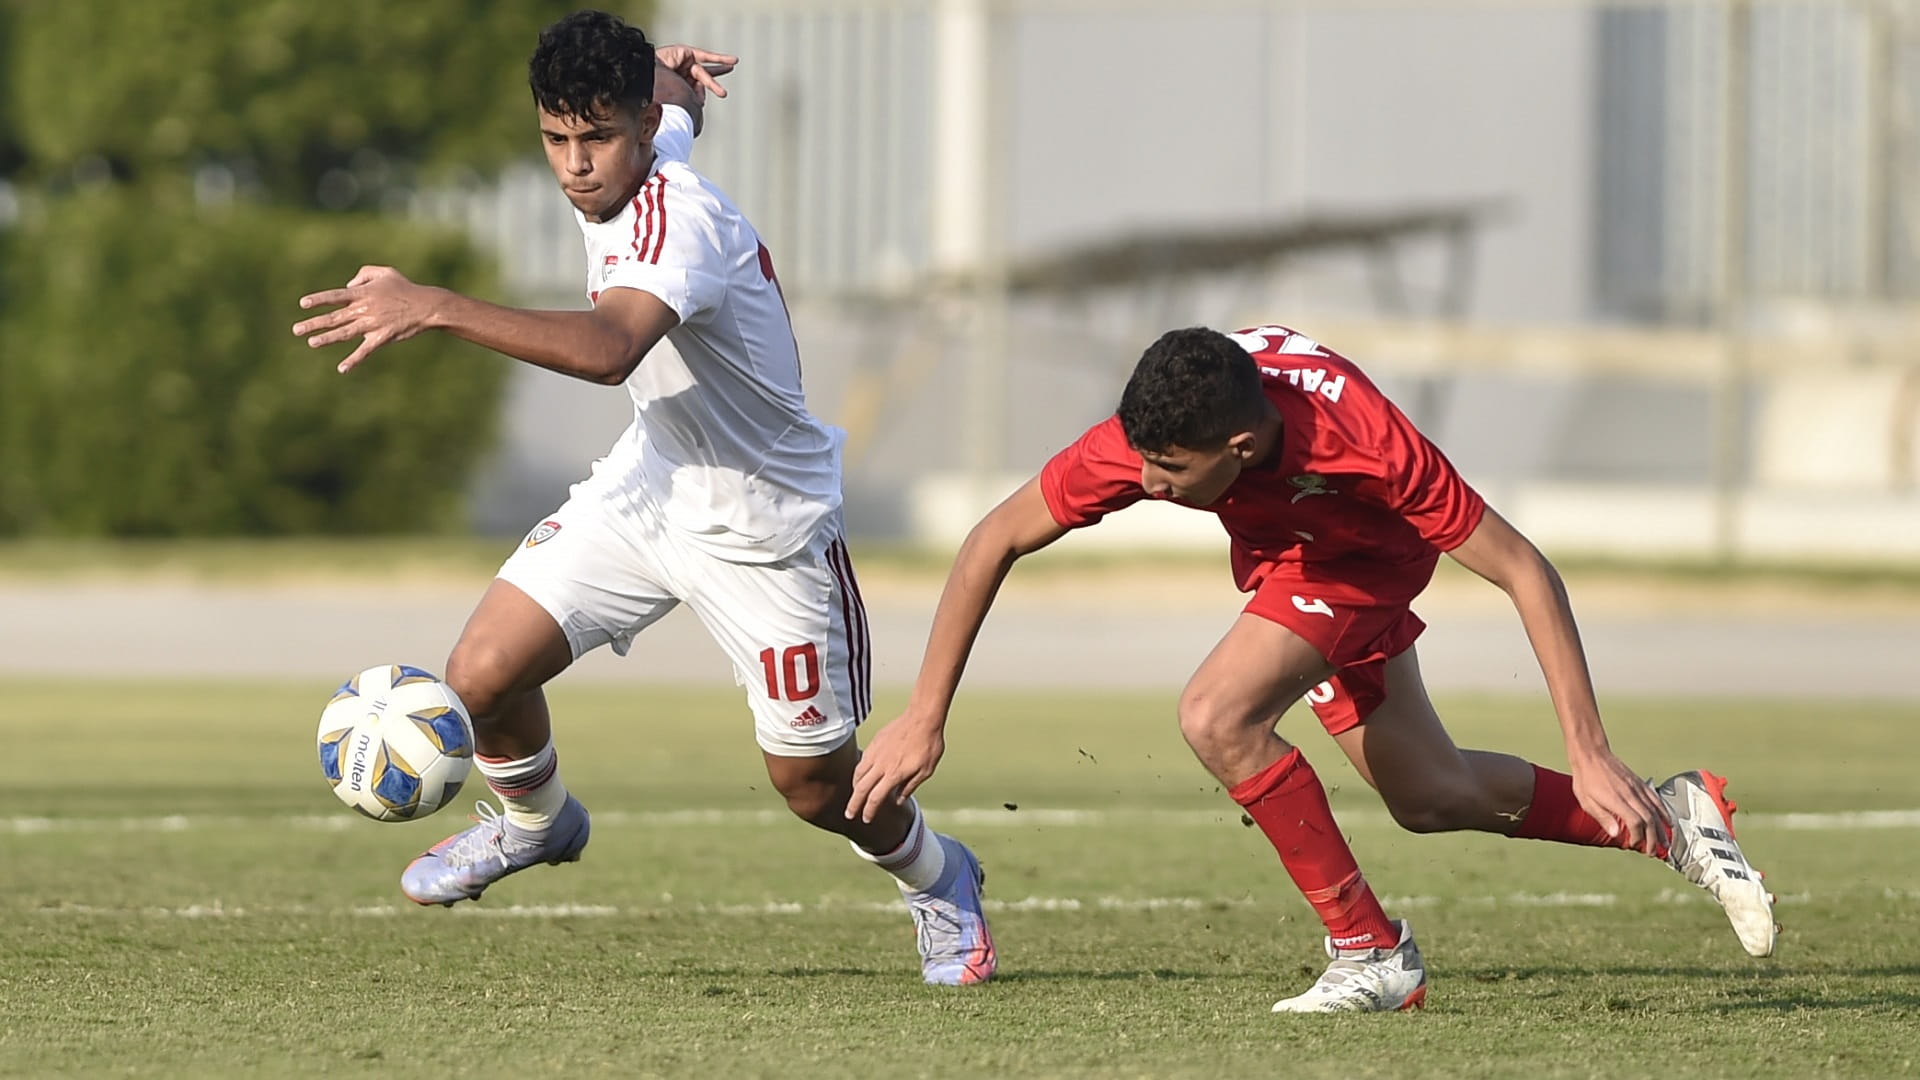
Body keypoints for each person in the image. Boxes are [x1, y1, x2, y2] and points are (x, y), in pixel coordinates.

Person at [291, 10, 993, 987]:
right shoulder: (643, 139)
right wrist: (667, 81)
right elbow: (673, 114)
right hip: (651, 485)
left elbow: (609, 349)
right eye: (556, 138)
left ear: (635, 129)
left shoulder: (680, 221)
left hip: (766, 528)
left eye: (597, 137)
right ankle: (537, 824)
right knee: (482, 676)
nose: (577, 164)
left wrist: (437, 305)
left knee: (813, 785)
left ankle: (938, 875)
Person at [845, 323, 1774, 1011]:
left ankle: (1369, 951)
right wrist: (925, 714)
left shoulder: (1365, 441)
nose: (1148, 482)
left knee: (1217, 715)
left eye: (1169, 470)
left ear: (1241, 448)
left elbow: (1525, 570)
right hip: (1295, 555)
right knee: (1430, 794)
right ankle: (1674, 819)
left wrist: (1590, 746)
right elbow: (994, 538)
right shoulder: (1163, 425)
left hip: (1366, 563)